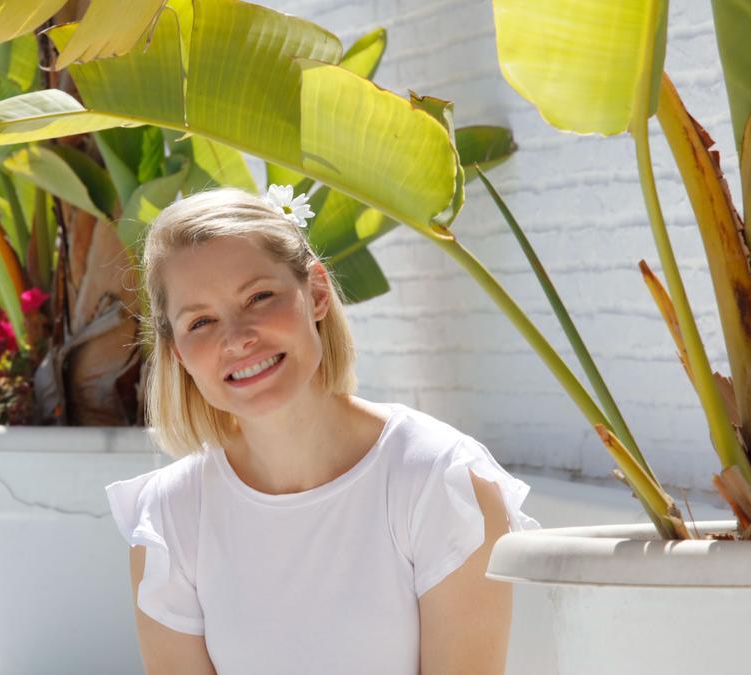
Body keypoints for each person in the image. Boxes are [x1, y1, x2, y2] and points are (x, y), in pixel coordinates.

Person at [105, 186, 541, 674]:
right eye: (201, 321)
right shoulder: (169, 519)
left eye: (259, 297)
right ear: (178, 353)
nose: (238, 338)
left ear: (316, 293)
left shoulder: (442, 482)